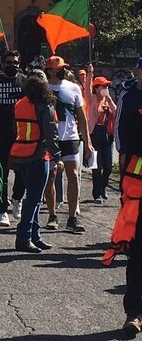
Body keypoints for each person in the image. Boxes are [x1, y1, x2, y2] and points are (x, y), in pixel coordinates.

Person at [11, 70, 63, 253]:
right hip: (38, 155)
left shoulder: (20, 103)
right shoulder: (44, 105)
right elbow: (51, 132)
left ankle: (35, 236)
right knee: (34, 199)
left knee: (33, 197)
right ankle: (24, 237)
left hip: (20, 154)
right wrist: (57, 156)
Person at [44, 56, 93, 233]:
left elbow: (82, 116)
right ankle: (52, 215)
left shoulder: (73, 88)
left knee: (73, 175)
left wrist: (88, 142)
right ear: (49, 70)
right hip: (50, 139)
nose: (63, 70)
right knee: (50, 176)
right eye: (59, 68)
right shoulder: (43, 88)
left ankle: (72, 217)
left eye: (64, 67)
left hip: (71, 137)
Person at [0, 50, 27, 228]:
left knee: (22, 173)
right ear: (3, 64)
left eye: (16, 62)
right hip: (1, 136)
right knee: (1, 174)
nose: (13, 66)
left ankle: (17, 199)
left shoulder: (25, 82)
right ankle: (1, 210)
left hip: (22, 136)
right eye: (9, 62)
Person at [117, 58, 142, 337]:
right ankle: (134, 313)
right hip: (136, 182)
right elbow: (121, 140)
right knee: (137, 251)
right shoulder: (129, 95)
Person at [85, 68, 116, 203]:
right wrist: (90, 74)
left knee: (108, 166)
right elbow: (87, 88)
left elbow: (116, 112)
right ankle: (97, 193)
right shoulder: (92, 99)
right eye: (103, 86)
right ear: (97, 88)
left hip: (107, 134)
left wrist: (109, 100)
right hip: (95, 134)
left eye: (107, 86)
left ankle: (103, 187)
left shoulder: (107, 100)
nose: (105, 88)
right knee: (96, 166)